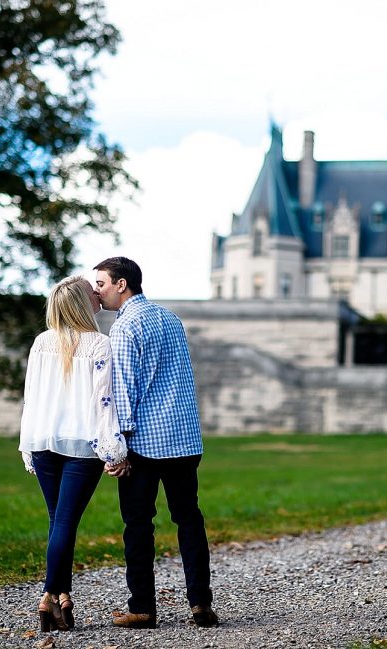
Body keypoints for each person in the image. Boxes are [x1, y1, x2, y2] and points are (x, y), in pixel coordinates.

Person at [93, 256, 219, 629]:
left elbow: (125, 391)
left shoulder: (125, 327)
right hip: (184, 440)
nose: (97, 290)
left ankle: (143, 608)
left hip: (145, 444)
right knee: (189, 520)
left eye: (101, 282)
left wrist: (119, 448)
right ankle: (200, 603)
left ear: (121, 284)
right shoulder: (170, 318)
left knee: (138, 525)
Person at [18, 275, 130, 633]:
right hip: (82, 447)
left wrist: (27, 445)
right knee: (65, 522)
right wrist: (113, 450)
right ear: (83, 304)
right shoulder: (98, 344)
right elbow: (104, 403)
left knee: (58, 521)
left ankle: (63, 596)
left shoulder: (41, 342)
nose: (98, 293)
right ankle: (48, 596)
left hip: (44, 441)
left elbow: (30, 397)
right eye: (91, 291)